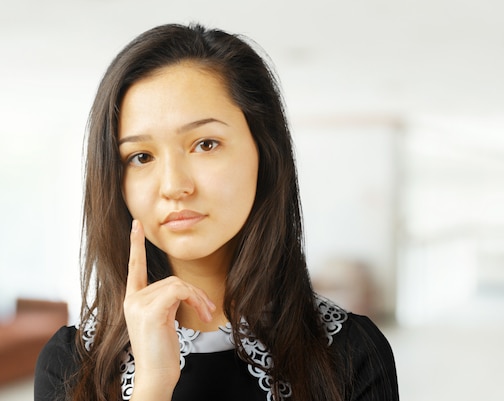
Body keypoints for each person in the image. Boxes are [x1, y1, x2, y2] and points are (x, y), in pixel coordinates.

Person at [34, 23, 399, 401]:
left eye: (205, 144)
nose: (174, 186)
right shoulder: (69, 365)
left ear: (265, 151)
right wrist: (153, 384)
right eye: (141, 156)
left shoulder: (351, 353)